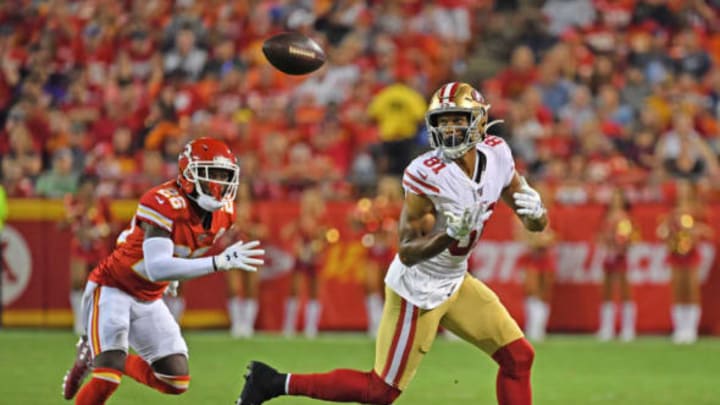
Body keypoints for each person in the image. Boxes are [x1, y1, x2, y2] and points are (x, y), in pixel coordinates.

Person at [237, 82, 548, 405]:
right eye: (442, 121)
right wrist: (449, 236)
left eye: (457, 119)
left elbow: (532, 219)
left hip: (455, 281)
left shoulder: (497, 153)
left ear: (480, 121)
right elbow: (408, 251)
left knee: (518, 358)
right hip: (419, 289)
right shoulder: (428, 173)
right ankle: (271, 382)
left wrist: (538, 212)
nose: (449, 128)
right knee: (380, 390)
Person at [61, 137, 265, 404]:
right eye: (211, 174)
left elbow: (156, 245)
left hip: (148, 296)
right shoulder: (162, 201)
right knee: (107, 376)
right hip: (114, 287)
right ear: (188, 174)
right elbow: (157, 267)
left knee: (175, 380)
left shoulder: (225, 214)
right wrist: (217, 262)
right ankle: (104, 358)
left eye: (224, 175)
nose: (220, 183)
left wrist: (172, 274)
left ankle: (92, 354)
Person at [657, 181, 713, 344]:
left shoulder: (698, 211)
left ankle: (691, 328)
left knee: (691, 290)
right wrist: (669, 232)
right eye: (680, 190)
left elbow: (709, 232)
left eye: (686, 190)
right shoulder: (672, 213)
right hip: (675, 254)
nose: (682, 193)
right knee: (678, 290)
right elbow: (663, 232)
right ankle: (679, 328)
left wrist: (695, 230)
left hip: (692, 254)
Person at [62, 174, 114, 335]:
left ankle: (97, 320)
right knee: (77, 281)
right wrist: (74, 218)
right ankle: (79, 320)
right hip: (80, 247)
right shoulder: (72, 202)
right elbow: (62, 224)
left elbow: (112, 225)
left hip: (98, 247)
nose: (89, 192)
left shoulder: (102, 203)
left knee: (99, 284)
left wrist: (98, 231)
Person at [281, 187, 329, 338]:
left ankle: (311, 328)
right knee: (294, 290)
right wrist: (297, 245)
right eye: (308, 202)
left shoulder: (322, 220)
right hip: (301, 257)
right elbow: (286, 233)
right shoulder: (300, 219)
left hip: (315, 258)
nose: (310, 205)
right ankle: (289, 326)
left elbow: (328, 237)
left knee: (314, 291)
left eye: (313, 202)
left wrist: (319, 246)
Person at [596, 187, 639, 342]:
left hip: (622, 256)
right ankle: (607, 327)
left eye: (618, 198)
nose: (615, 201)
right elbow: (600, 235)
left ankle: (628, 329)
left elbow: (630, 236)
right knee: (607, 290)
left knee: (624, 289)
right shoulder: (606, 216)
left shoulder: (625, 217)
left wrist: (621, 246)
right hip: (608, 255)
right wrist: (605, 244)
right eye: (613, 197)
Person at [514, 183, 556, 342]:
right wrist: (537, 241)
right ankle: (532, 328)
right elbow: (521, 236)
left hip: (546, 257)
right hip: (531, 257)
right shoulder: (523, 214)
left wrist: (540, 240)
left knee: (544, 293)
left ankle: (540, 329)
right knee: (531, 290)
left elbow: (556, 236)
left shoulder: (553, 214)